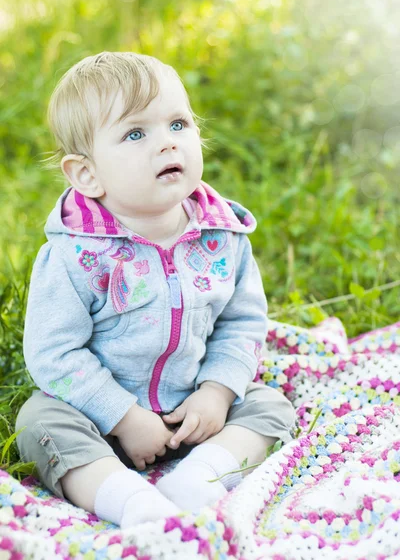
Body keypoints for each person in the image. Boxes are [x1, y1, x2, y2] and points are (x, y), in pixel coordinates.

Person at [15, 51, 296, 528]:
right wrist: (125, 418)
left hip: (196, 412)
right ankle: (126, 499)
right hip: (102, 423)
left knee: (271, 407)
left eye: (179, 124)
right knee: (40, 423)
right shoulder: (75, 257)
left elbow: (241, 321)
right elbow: (52, 352)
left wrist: (217, 393)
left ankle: (200, 477)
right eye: (135, 134)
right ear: (87, 175)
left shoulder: (221, 235)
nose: (167, 144)